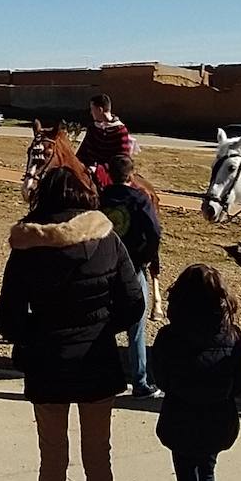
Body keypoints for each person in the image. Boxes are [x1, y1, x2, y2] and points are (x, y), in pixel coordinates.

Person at [0, 165, 147, 481]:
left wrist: (37, 335)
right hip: (96, 362)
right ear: (84, 196)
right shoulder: (107, 238)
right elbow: (134, 303)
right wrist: (101, 328)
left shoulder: (27, 244)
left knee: (52, 462)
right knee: (99, 460)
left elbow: (6, 319)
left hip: (47, 365)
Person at [151, 264, 241, 481]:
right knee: (207, 477)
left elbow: (161, 379)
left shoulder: (169, 336)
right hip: (217, 419)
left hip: (180, 416)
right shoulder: (233, 337)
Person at [98, 154, 163, 399]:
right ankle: (140, 381)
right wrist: (145, 256)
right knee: (137, 327)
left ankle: (109, 377)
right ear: (132, 174)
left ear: (108, 173)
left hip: (104, 267)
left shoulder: (100, 199)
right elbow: (155, 232)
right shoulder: (139, 199)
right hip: (133, 268)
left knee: (105, 325)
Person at [75, 94, 132, 187]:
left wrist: (99, 169)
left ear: (100, 110)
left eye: (92, 109)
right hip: (88, 169)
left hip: (111, 173)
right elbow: (84, 150)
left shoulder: (120, 130)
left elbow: (122, 160)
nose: (91, 113)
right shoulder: (93, 128)